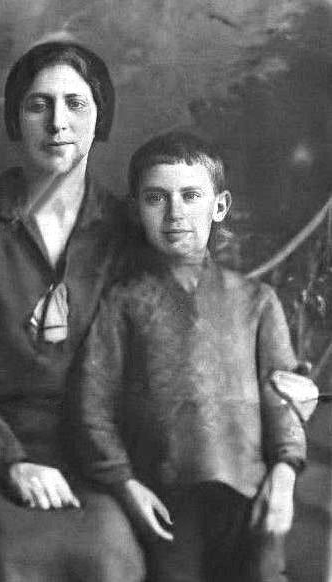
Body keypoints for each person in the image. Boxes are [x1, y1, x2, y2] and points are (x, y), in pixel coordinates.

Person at [0, 41, 145, 581]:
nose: (57, 123)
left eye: (76, 104)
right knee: (7, 564)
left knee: (112, 562)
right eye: (38, 105)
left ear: (101, 116)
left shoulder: (126, 231)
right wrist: (9, 462)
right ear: (15, 119)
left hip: (94, 458)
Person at [76, 131, 313, 582]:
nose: (175, 213)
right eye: (156, 198)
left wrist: (283, 476)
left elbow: (283, 400)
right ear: (136, 209)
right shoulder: (122, 302)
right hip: (164, 501)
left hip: (250, 495)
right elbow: (92, 405)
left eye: (190, 195)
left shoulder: (257, 302)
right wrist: (126, 485)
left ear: (219, 206)